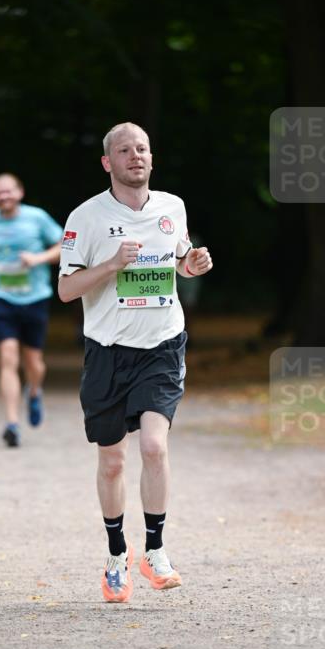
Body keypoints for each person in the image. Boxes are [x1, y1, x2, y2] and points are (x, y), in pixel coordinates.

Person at [58, 122, 213, 602]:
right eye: (124, 151)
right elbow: (66, 290)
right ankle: (115, 557)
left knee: (153, 447)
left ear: (152, 156)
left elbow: (178, 260)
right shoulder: (85, 217)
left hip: (162, 345)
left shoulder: (173, 207)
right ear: (108, 162)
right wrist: (110, 265)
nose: (135, 156)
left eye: (142, 148)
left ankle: (156, 550)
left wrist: (191, 265)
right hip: (107, 352)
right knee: (111, 463)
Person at [0, 173, 62, 447]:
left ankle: (34, 391)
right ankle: (12, 423)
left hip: (35, 297)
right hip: (2, 296)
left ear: (20, 192)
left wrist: (38, 258)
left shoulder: (37, 218)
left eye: (8, 192)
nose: (3, 197)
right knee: (8, 357)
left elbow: (63, 246)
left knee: (33, 361)